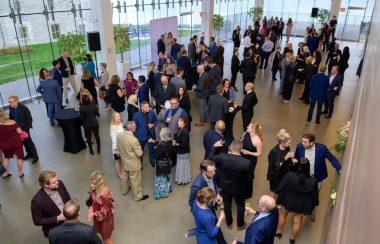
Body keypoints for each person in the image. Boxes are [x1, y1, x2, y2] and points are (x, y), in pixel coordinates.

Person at [275, 158, 319, 244]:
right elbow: (315, 195)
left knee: (283, 215)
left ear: (297, 166)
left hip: (287, 201)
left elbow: (279, 188)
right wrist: (314, 205)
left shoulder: (289, 176)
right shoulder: (313, 181)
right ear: (308, 168)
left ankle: (279, 232)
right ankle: (292, 239)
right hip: (301, 205)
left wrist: (278, 193)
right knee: (297, 221)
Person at [209, 140, 250, 230]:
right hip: (239, 188)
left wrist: (214, 146)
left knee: (227, 205)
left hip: (225, 186)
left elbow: (210, 157)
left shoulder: (222, 157)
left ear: (231, 147)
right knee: (240, 206)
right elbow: (248, 178)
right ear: (241, 149)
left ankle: (229, 223)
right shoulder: (246, 163)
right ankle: (240, 225)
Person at [189, 160, 227, 244]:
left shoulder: (210, 174)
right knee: (214, 225)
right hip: (206, 208)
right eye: (211, 172)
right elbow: (191, 201)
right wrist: (202, 211)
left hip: (208, 206)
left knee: (213, 224)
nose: (214, 173)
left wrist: (217, 195)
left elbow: (214, 185)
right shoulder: (197, 184)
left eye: (214, 170)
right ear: (203, 171)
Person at [31, 171, 71, 237]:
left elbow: (67, 198)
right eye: (54, 182)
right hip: (55, 227)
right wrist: (58, 218)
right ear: (46, 185)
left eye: (57, 180)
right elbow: (37, 221)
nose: (57, 183)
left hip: (69, 220)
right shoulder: (37, 201)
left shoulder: (60, 184)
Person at [117, 121, 149, 201]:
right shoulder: (134, 140)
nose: (136, 127)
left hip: (124, 161)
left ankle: (124, 191)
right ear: (132, 128)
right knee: (135, 180)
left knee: (125, 177)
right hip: (133, 164)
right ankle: (138, 196)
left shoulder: (119, 136)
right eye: (135, 127)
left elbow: (118, 147)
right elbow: (140, 154)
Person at [8, 95, 39, 164]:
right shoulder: (10, 107)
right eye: (9, 102)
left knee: (29, 142)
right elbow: (11, 118)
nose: (9, 104)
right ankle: (29, 154)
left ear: (16, 101)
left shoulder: (24, 108)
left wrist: (26, 129)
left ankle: (35, 156)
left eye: (11, 102)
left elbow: (29, 119)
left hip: (24, 129)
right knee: (24, 142)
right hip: (16, 129)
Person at [87, 171, 115, 244]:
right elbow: (91, 200)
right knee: (103, 236)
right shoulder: (94, 190)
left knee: (106, 239)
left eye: (94, 184)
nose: (91, 185)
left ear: (100, 184)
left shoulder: (103, 195)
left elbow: (107, 212)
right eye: (90, 182)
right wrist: (91, 208)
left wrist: (94, 214)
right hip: (99, 219)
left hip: (106, 221)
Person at [267, 129, 296, 199]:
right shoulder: (275, 152)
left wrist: (292, 159)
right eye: (288, 143)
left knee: (281, 189)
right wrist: (286, 158)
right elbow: (276, 166)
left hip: (284, 173)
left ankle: (278, 202)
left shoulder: (287, 147)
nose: (289, 144)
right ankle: (272, 204)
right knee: (273, 191)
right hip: (275, 175)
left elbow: (288, 154)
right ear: (282, 142)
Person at [150, 127, 174, 199]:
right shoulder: (170, 141)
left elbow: (157, 156)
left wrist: (154, 149)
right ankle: (169, 188)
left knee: (161, 179)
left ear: (163, 135)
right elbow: (163, 144)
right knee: (167, 176)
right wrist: (154, 142)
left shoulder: (161, 145)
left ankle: (162, 193)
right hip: (168, 162)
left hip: (161, 164)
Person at [0, 109, 24, 178]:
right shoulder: (12, 122)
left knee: (6, 158)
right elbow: (20, 132)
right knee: (19, 158)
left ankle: (5, 173)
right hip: (16, 143)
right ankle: (20, 173)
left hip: (4, 145)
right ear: (4, 114)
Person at [133, 101, 158, 167]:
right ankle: (140, 163)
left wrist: (153, 125)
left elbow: (156, 121)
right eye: (146, 107)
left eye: (148, 106)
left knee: (151, 149)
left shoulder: (152, 113)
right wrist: (136, 137)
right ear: (142, 108)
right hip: (141, 137)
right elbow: (134, 127)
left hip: (150, 135)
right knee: (140, 151)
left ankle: (152, 160)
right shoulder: (136, 115)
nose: (148, 108)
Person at [241, 122, 263, 195]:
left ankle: (248, 193)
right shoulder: (245, 134)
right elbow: (242, 142)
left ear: (253, 129)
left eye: (249, 126)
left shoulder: (257, 140)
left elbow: (259, 153)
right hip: (242, 157)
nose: (247, 127)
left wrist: (248, 152)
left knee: (249, 176)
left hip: (251, 160)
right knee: (241, 174)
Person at [173, 116, 190, 185]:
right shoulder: (182, 129)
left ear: (184, 123)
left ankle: (182, 180)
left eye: (180, 121)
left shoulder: (184, 131)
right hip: (182, 152)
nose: (178, 122)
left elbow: (184, 144)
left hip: (183, 152)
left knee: (182, 167)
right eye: (178, 121)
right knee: (182, 166)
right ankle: (183, 179)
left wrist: (175, 144)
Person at [110, 112, 124, 179]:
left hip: (122, 145)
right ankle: (119, 174)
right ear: (113, 118)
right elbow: (113, 139)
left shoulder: (120, 124)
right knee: (117, 161)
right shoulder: (113, 127)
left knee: (121, 160)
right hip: (117, 147)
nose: (119, 117)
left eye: (119, 116)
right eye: (116, 116)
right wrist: (117, 149)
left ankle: (121, 171)